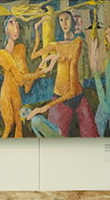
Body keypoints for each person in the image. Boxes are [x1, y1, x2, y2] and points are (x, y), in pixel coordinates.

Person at [27, 7, 99, 138]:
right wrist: (36, 29)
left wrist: (44, 108)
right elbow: (33, 55)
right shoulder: (56, 45)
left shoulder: (77, 43)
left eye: (67, 19)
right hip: (59, 96)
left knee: (92, 136)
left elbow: (72, 91)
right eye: (61, 20)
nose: (64, 23)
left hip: (77, 96)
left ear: (72, 21)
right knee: (55, 138)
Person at [0, 18, 41, 138]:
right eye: (12, 24)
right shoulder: (2, 53)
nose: (16, 29)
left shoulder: (20, 49)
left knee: (18, 124)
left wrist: (37, 29)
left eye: (17, 25)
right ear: (6, 29)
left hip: (16, 91)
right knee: (8, 124)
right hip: (6, 91)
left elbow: (23, 72)